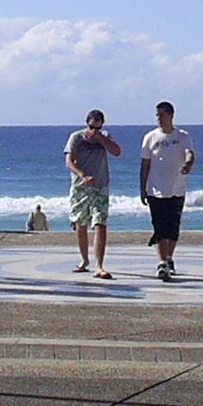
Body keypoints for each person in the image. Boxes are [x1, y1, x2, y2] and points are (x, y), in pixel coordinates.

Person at [140, 101, 195, 281]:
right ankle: (162, 262)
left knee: (173, 228)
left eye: (162, 115)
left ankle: (169, 257)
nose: (159, 118)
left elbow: (189, 153)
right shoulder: (150, 137)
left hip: (176, 189)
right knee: (159, 227)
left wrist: (188, 163)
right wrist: (142, 188)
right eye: (157, 115)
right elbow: (145, 164)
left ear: (171, 115)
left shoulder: (182, 136)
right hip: (155, 190)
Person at [64, 109, 121, 279]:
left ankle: (99, 266)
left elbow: (117, 152)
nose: (94, 130)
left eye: (97, 126)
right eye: (91, 126)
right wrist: (82, 175)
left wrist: (100, 138)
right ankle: (84, 260)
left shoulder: (105, 136)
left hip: (100, 186)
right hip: (81, 187)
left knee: (100, 223)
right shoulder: (76, 137)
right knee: (80, 224)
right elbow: (68, 162)